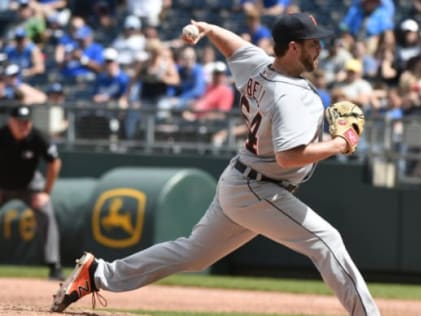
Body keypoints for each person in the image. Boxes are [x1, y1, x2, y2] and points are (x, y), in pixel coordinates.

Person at [51, 13, 380, 316]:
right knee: (327, 241)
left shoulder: (260, 65)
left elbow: (232, 45)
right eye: (313, 43)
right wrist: (339, 144)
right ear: (293, 48)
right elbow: (288, 157)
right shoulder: (291, 96)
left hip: (242, 180)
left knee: (194, 254)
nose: (320, 48)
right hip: (260, 189)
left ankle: (98, 274)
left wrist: (206, 28)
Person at [0, 105, 63, 280]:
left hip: (30, 184)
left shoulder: (37, 136)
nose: (24, 126)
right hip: (3, 185)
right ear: (11, 122)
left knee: (47, 213)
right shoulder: (2, 135)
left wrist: (46, 192)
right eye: (20, 122)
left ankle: (54, 266)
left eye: (27, 122)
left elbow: (55, 162)